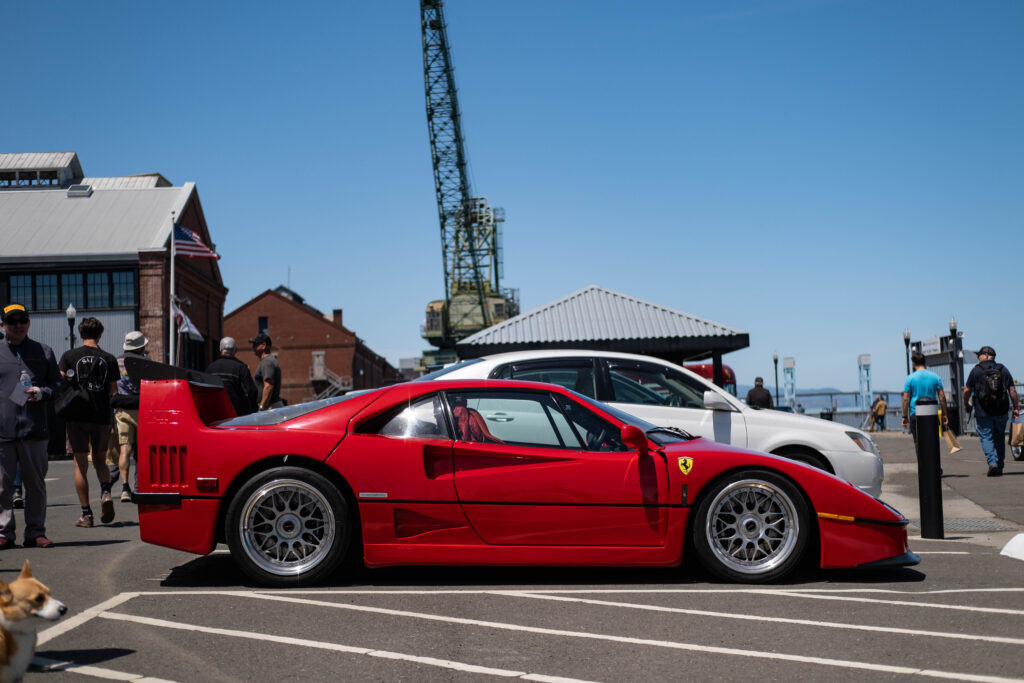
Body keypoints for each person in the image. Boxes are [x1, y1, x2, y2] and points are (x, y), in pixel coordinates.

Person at [0, 303, 61, 548]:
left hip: (34, 430)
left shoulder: (43, 351)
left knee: (35, 485)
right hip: (3, 429)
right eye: (12, 321)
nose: (18, 326)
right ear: (2, 325)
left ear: (29, 323)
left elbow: (57, 385)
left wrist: (43, 392)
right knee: (2, 485)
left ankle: (36, 532)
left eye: (22, 321)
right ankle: (4, 533)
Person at [59, 317, 120, 527]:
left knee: (80, 463)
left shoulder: (69, 356)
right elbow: (113, 390)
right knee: (101, 461)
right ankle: (105, 492)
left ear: (80, 333)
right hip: (101, 415)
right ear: (100, 334)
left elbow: (60, 382)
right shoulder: (109, 359)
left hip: (77, 415)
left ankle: (86, 514)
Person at [964, 346, 1019, 477]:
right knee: (999, 438)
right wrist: (1016, 407)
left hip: (983, 412)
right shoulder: (1002, 369)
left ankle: (992, 463)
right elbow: (1012, 390)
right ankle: (999, 467)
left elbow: (967, 390)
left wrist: (966, 404)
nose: (978, 358)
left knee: (986, 437)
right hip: (1001, 412)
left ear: (984, 355)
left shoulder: (976, 371)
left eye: (979, 356)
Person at [109, 331, 148, 502]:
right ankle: (139, 486)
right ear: (140, 347)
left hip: (122, 409)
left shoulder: (116, 362)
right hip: (142, 408)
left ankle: (125, 488)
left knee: (125, 448)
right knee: (141, 451)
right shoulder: (146, 362)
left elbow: (112, 387)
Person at [901, 352, 948, 444]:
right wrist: (944, 414)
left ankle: (921, 458)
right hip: (932, 414)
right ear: (924, 362)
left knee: (919, 443)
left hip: (916, 414)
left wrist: (904, 416)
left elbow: (906, 399)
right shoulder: (935, 377)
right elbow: (942, 397)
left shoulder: (910, 378)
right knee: (932, 442)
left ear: (913, 363)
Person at [206, 337, 259, 416]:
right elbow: (251, 392)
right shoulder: (241, 368)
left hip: (216, 416)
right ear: (235, 350)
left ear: (220, 350)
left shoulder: (210, 369)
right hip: (237, 416)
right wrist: (251, 411)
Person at [249, 332, 282, 411]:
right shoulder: (267, 361)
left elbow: (268, 386)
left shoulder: (267, 362)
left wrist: (261, 406)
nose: (252, 347)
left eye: (255, 345)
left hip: (270, 408)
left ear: (263, 345)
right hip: (270, 407)